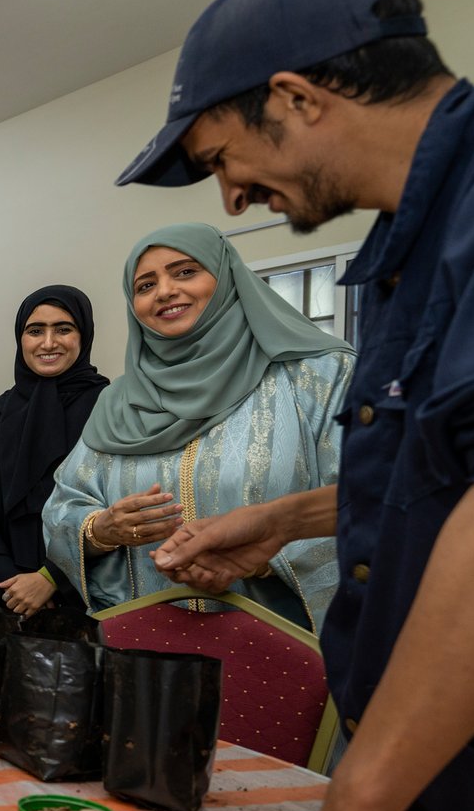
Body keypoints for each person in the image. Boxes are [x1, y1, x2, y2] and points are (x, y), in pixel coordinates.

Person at [108, 0, 474, 811]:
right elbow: (452, 467)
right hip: (456, 798)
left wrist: (356, 807)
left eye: (223, 156)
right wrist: (293, 516)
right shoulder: (411, 246)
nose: (230, 199)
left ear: (296, 98)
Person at [42, 224, 353, 629]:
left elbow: (372, 503)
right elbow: (65, 502)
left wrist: (265, 557)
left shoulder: (318, 377)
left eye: (185, 271)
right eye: (145, 284)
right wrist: (100, 530)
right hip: (151, 645)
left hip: (285, 647)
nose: (165, 291)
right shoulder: (119, 401)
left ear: (226, 278)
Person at [0, 287, 108, 615]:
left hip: (90, 597)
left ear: (84, 335)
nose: (48, 342)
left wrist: (52, 578)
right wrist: (12, 584)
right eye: (35, 331)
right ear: (20, 338)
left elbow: (117, 506)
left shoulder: (111, 409)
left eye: (63, 329)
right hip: (8, 600)